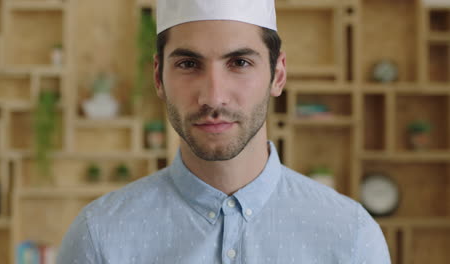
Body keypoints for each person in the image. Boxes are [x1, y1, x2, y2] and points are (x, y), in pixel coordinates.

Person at [57, 0, 391, 263]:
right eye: (188, 64)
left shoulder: (351, 236)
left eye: (240, 63)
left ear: (278, 75)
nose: (214, 96)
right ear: (159, 78)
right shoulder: (100, 236)